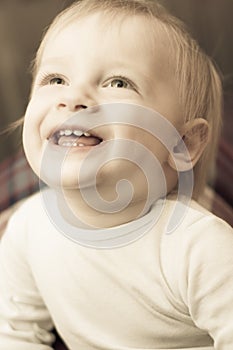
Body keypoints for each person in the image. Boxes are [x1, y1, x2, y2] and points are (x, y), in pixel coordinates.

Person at [0, 0, 232, 349]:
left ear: (182, 143)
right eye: (56, 78)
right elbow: (14, 333)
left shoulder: (199, 247)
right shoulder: (26, 228)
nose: (73, 97)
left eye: (119, 83)